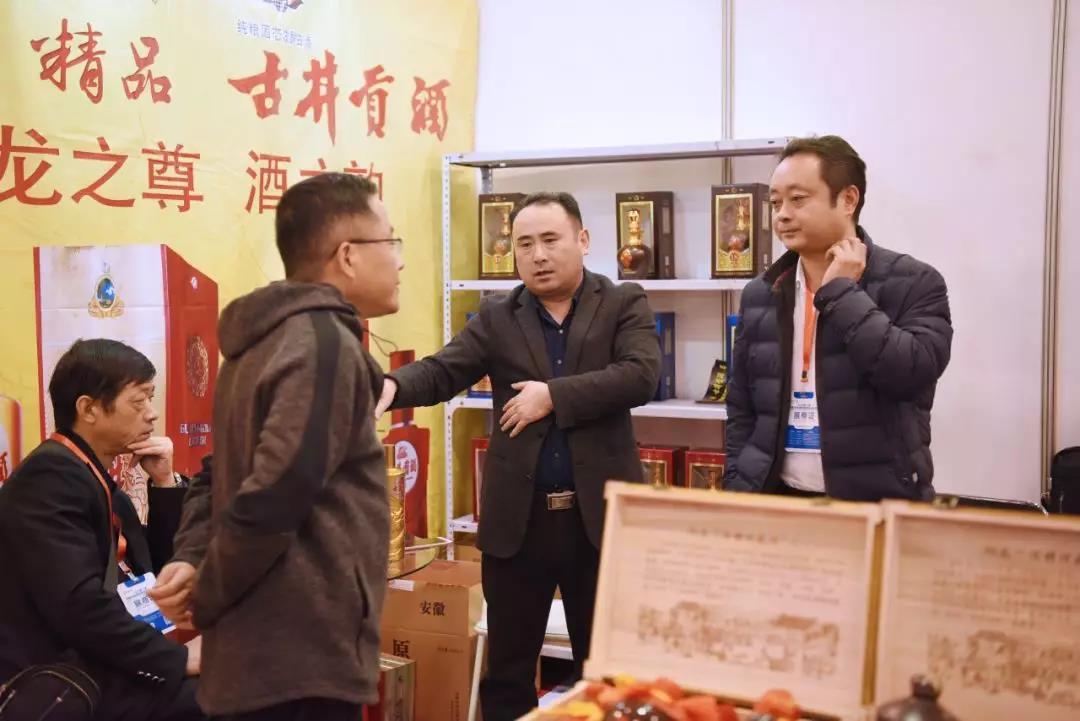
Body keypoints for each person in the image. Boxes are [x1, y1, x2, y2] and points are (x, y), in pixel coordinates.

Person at [374, 191, 661, 721]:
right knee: (508, 673)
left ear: (583, 240)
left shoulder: (623, 302)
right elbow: (443, 370)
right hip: (519, 524)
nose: (538, 255)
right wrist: (390, 386)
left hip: (599, 521)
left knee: (607, 673)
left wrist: (552, 396)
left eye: (550, 240)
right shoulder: (498, 315)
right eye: (524, 244)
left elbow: (641, 374)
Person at [152, 172, 399, 721]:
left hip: (260, 658)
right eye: (391, 241)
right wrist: (206, 592)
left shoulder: (261, 342)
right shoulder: (323, 345)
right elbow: (276, 494)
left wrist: (193, 557)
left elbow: (218, 473)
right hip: (297, 660)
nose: (399, 261)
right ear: (348, 255)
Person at [724, 135, 953, 500]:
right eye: (775, 202)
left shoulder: (914, 281)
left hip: (873, 501)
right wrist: (739, 482)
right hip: (775, 497)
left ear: (848, 199)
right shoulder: (762, 292)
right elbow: (741, 406)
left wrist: (842, 293)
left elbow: (911, 374)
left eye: (798, 199)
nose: (782, 214)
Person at [0, 338, 204, 721]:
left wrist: (164, 483)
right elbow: (79, 607)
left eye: (151, 399)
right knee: (224, 698)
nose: (152, 415)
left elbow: (159, 573)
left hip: (104, 661)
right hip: (62, 681)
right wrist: (177, 659)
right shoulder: (50, 478)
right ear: (88, 408)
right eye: (139, 402)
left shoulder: (96, 481)